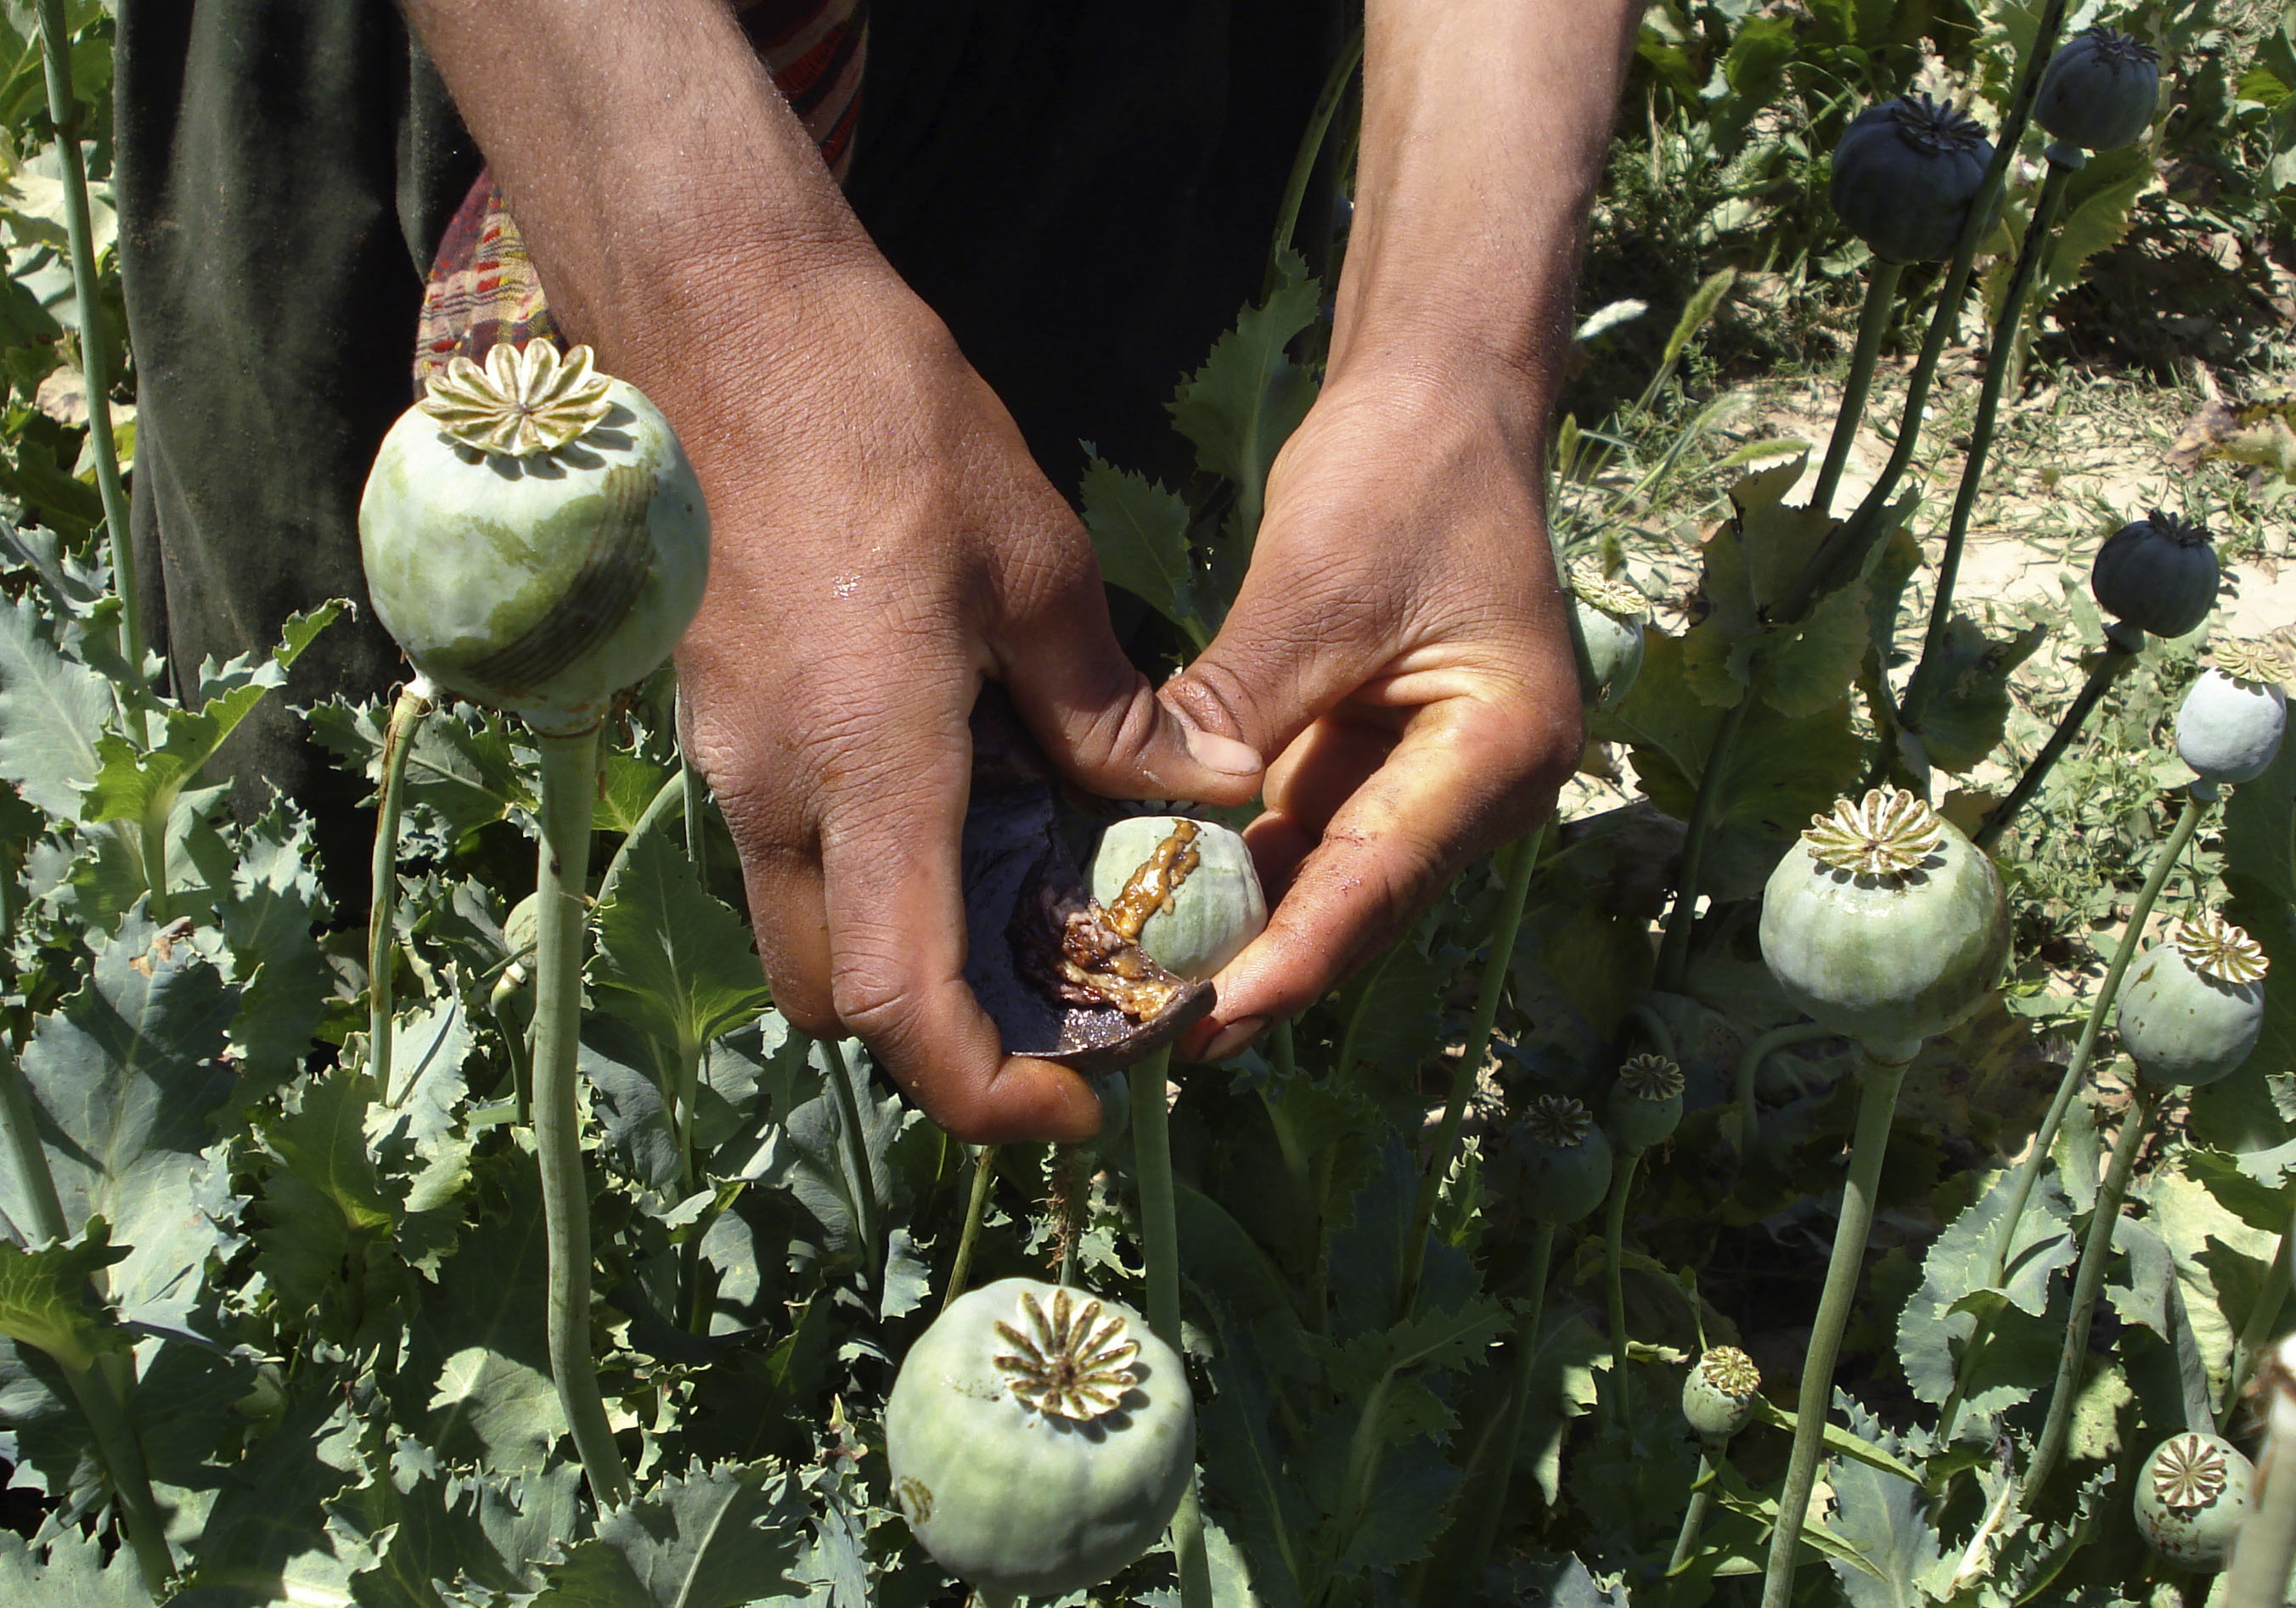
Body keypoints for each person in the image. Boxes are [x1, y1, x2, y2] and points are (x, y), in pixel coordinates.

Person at [115, 0, 1636, 1144]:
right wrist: (727, 291)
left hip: (1131, 74)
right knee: (319, 889)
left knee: (975, 870)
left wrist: (1455, 353)